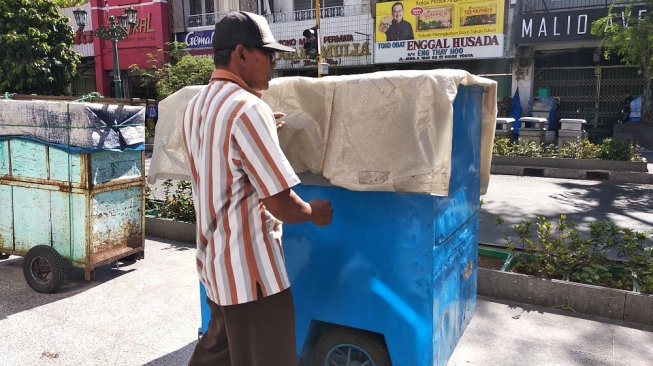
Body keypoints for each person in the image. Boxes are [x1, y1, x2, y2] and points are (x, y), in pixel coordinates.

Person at [182, 11, 334, 366]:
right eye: (268, 55)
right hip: (253, 278)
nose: (272, 64)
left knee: (218, 352)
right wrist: (315, 214)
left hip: (216, 266)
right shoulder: (248, 109)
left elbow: (225, 162)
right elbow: (281, 203)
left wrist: (265, 130)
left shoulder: (196, 105)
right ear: (241, 54)